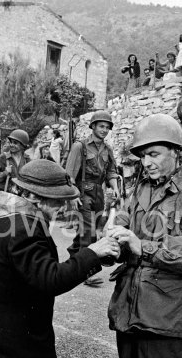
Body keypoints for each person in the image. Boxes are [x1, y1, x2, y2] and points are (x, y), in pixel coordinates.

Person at [0, 159, 120, 357]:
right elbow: (50, 279)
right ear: (32, 196)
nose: (62, 206)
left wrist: (97, 256)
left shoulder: (1, 217)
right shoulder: (23, 229)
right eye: (57, 199)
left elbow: (24, 270)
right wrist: (92, 253)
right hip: (11, 347)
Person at [106, 113, 182, 358]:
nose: (146, 162)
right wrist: (115, 233)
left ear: (175, 152)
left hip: (164, 317)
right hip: (127, 310)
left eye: (154, 154)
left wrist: (143, 246)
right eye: (143, 156)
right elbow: (126, 222)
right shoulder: (140, 189)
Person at [65, 111, 119, 286]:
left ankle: (74, 260)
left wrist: (115, 187)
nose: (104, 130)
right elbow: (69, 175)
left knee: (86, 230)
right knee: (89, 232)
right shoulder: (79, 146)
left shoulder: (107, 149)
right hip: (82, 193)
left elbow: (111, 172)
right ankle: (85, 273)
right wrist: (73, 195)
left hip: (98, 194)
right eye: (101, 126)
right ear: (93, 126)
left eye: (107, 127)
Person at [0, 129, 31, 195]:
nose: (11, 145)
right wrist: (4, 173)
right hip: (4, 195)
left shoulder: (27, 160)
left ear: (23, 145)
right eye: (11, 142)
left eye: (15, 143)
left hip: (21, 195)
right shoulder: (1, 158)